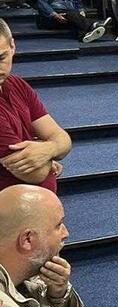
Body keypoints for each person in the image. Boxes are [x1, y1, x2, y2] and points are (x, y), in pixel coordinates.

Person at [0, 22, 70, 192]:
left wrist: (48, 149)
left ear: (12, 46)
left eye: (1, 58)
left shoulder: (17, 84)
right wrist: (49, 157)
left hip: (35, 203)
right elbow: (35, 173)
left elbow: (63, 139)